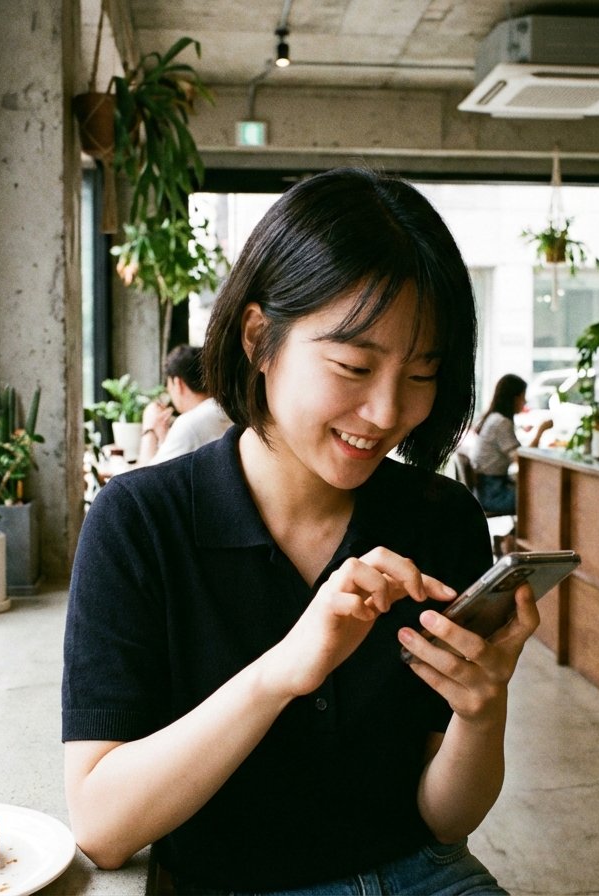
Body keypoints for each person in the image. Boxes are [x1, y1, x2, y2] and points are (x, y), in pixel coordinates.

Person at [62, 167, 540, 895]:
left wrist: (481, 710)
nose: (386, 412)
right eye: (353, 365)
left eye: (421, 374)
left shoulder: (440, 520)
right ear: (260, 337)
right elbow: (102, 825)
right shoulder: (140, 523)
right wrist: (282, 671)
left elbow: (445, 823)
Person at [466, 374, 551, 514]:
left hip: (487, 488)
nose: (524, 402)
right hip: (492, 493)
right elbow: (523, 460)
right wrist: (541, 430)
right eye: (523, 397)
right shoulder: (501, 423)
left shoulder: (494, 418)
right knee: (541, 498)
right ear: (514, 398)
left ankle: (511, 536)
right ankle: (515, 536)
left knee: (537, 494)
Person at [137, 344, 232, 465]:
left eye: (168, 387)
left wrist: (149, 429)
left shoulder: (189, 423)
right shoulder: (224, 409)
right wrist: (164, 438)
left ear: (177, 383)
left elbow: (143, 477)